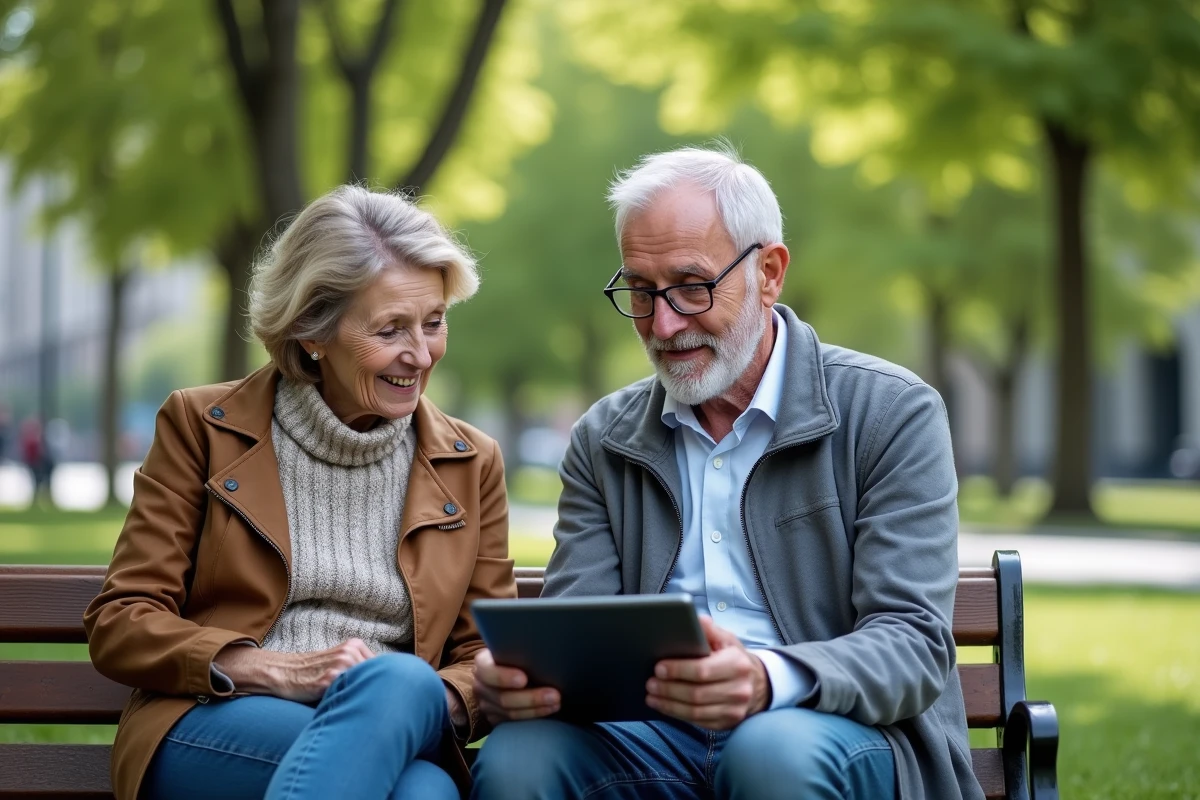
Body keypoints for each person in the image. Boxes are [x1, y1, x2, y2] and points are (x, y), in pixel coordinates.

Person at [471, 146, 984, 800]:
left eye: (692, 285)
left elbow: (910, 644)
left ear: (768, 273)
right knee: (520, 756)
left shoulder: (891, 412)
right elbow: (578, 627)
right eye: (640, 290)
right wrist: (523, 680)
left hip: (837, 731)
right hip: (651, 735)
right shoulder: (604, 438)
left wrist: (769, 678)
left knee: (770, 750)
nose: (663, 323)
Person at [84, 185, 516, 800]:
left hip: (400, 727)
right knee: (423, 783)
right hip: (216, 720)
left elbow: (481, 652)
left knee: (417, 750)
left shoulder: (471, 462)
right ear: (313, 331)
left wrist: (415, 698)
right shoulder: (202, 426)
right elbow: (122, 622)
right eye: (391, 328)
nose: (420, 355)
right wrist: (278, 672)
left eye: (434, 322)